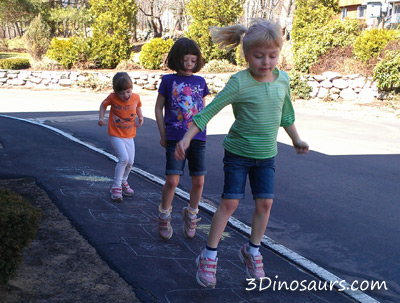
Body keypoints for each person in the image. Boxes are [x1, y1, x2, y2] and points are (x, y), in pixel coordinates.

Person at [175, 19, 309, 288]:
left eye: (273, 56)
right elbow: (208, 111)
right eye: (259, 56)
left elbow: (286, 114)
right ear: (247, 55)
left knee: (265, 204)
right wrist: (187, 138)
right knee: (230, 204)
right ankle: (209, 256)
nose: (266, 62)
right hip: (237, 154)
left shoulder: (282, 79)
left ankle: (253, 250)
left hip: (267, 155)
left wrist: (296, 139)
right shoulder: (239, 83)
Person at [154, 38, 209, 240]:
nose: (189, 65)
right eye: (186, 60)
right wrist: (163, 134)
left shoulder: (200, 82)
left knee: (199, 181)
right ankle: (164, 215)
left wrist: (201, 128)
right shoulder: (168, 81)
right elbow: (158, 108)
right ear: (178, 60)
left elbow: (204, 110)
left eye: (193, 61)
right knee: (172, 180)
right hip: (175, 137)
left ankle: (192, 213)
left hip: (198, 137)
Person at [98, 72, 144, 202]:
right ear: (116, 92)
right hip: (115, 134)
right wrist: (101, 118)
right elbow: (103, 105)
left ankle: (124, 181)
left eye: (128, 92)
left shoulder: (135, 97)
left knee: (130, 162)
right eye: (122, 93)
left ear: (132, 89)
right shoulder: (112, 98)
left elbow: (138, 106)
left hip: (129, 135)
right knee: (124, 158)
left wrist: (140, 117)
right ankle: (116, 187)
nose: (126, 95)